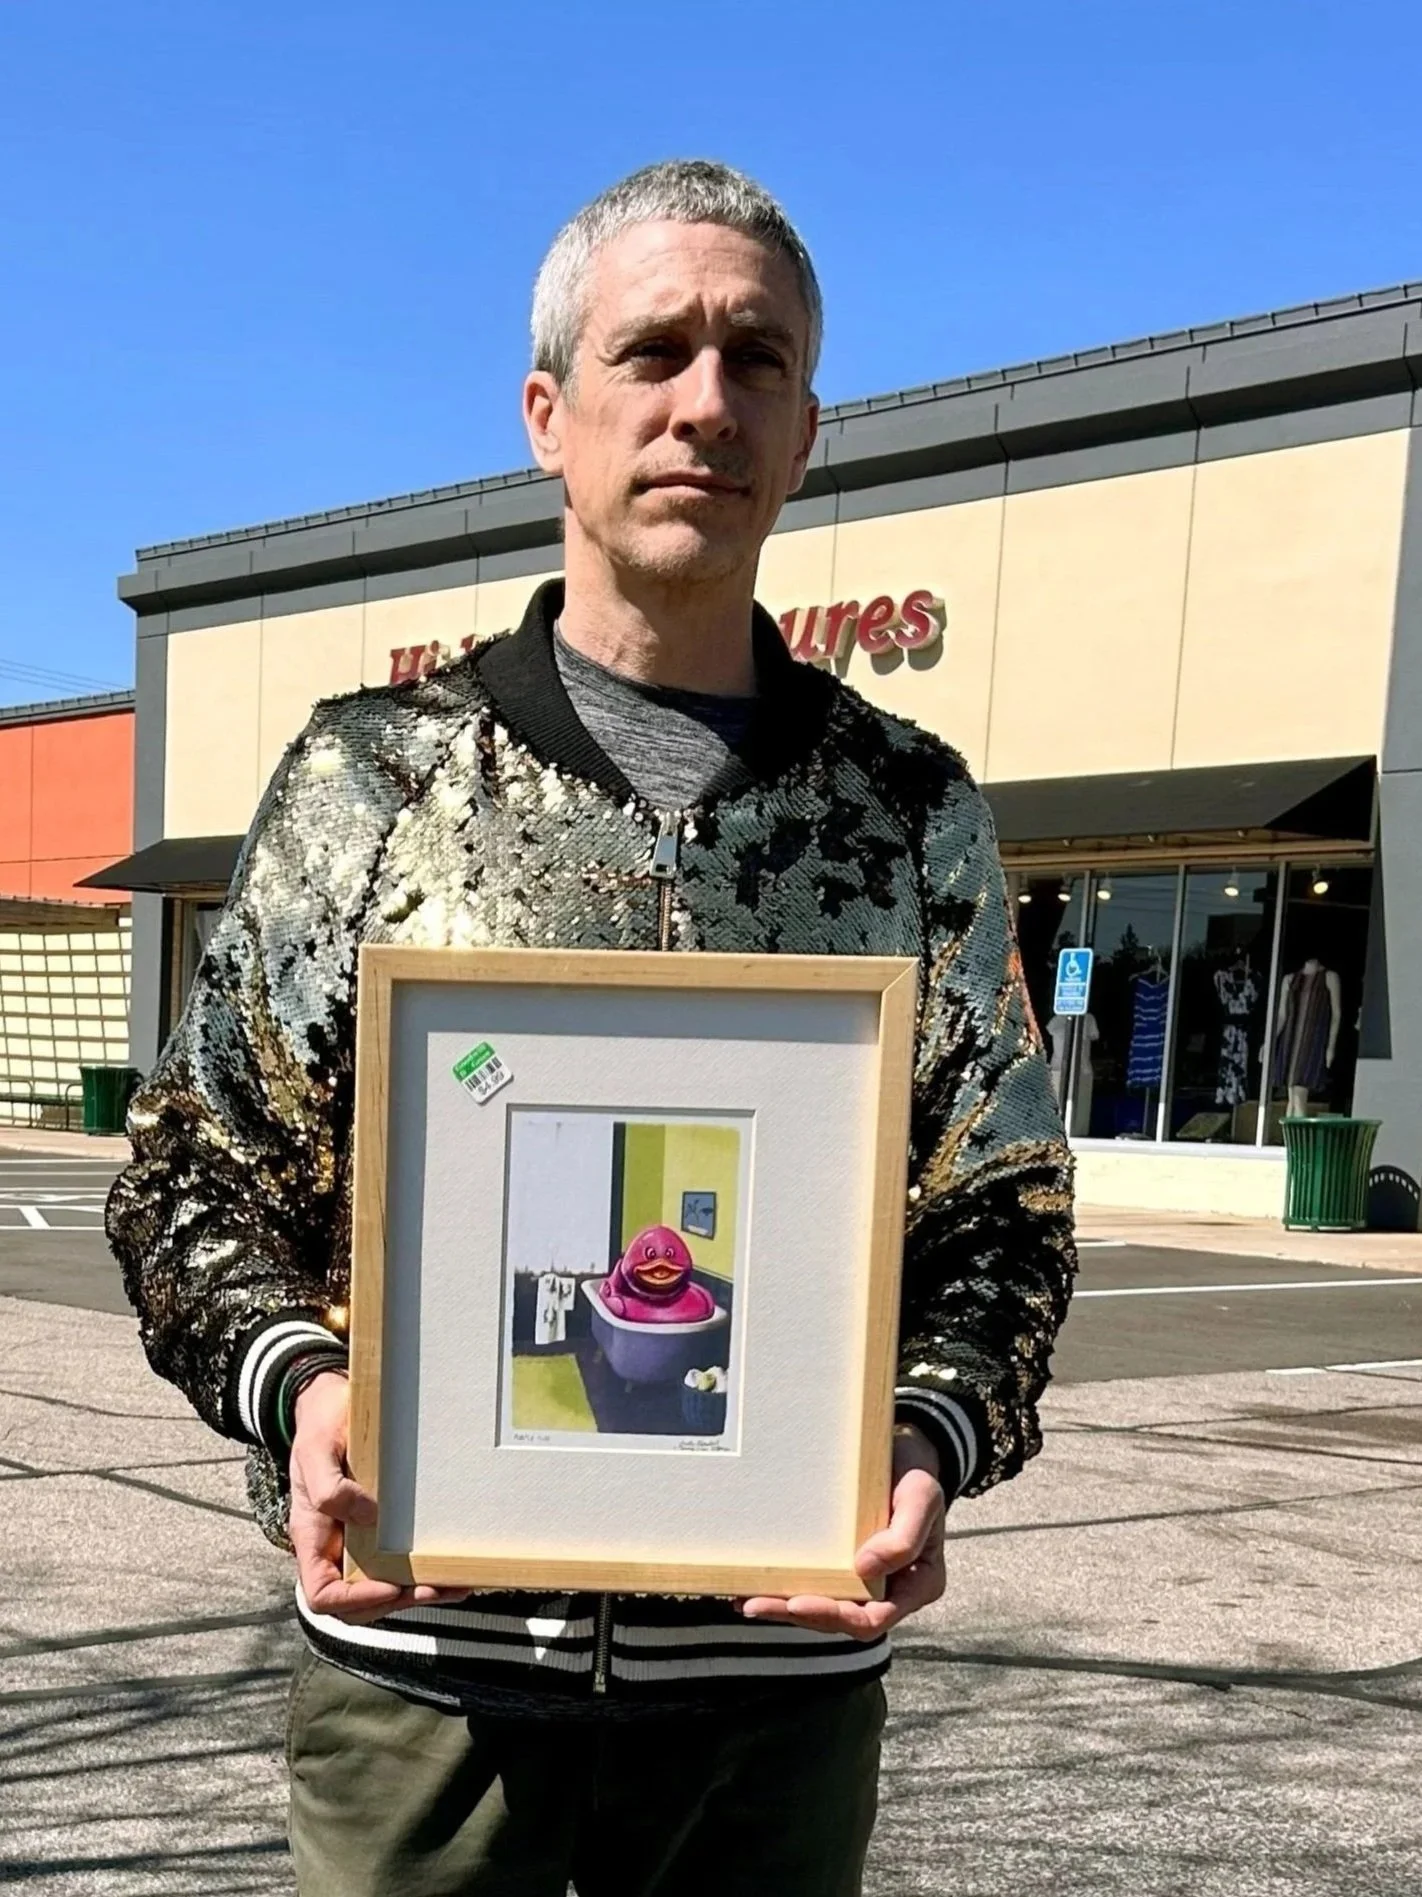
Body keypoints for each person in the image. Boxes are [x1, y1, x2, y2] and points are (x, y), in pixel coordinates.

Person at [107, 159, 1076, 1897]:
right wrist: (303, 1389)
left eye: (757, 359)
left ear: (805, 429)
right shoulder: (368, 781)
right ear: (549, 414)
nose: (705, 401)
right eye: (654, 351)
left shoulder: (906, 809)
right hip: (428, 1693)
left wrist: (928, 1441)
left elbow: (997, 1215)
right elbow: (193, 1175)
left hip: (774, 1706)